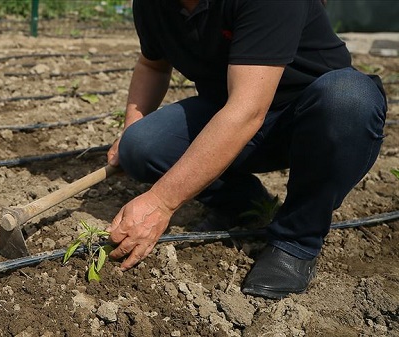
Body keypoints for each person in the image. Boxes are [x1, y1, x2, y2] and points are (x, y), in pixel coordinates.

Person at [105, 0, 387, 299]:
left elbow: (247, 111)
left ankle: (296, 239)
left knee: (348, 100)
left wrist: (161, 202)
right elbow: (153, 64)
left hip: (314, 121)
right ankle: (246, 204)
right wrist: (130, 128)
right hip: (231, 115)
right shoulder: (153, 5)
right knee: (141, 146)